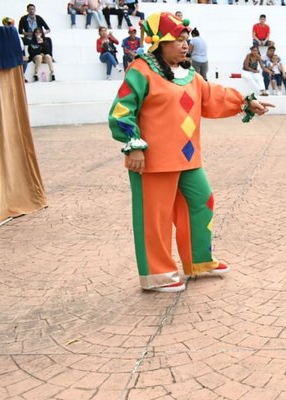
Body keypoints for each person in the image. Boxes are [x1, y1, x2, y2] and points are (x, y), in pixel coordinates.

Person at [107, 12, 272, 292]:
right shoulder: (141, 70)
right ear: (159, 42)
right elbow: (122, 111)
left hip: (187, 158)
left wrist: (245, 103)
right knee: (154, 218)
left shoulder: (190, 75)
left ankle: (199, 260)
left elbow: (212, 97)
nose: (185, 45)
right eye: (178, 40)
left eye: (186, 40)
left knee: (201, 201)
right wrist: (132, 144)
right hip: (153, 160)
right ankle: (157, 274)